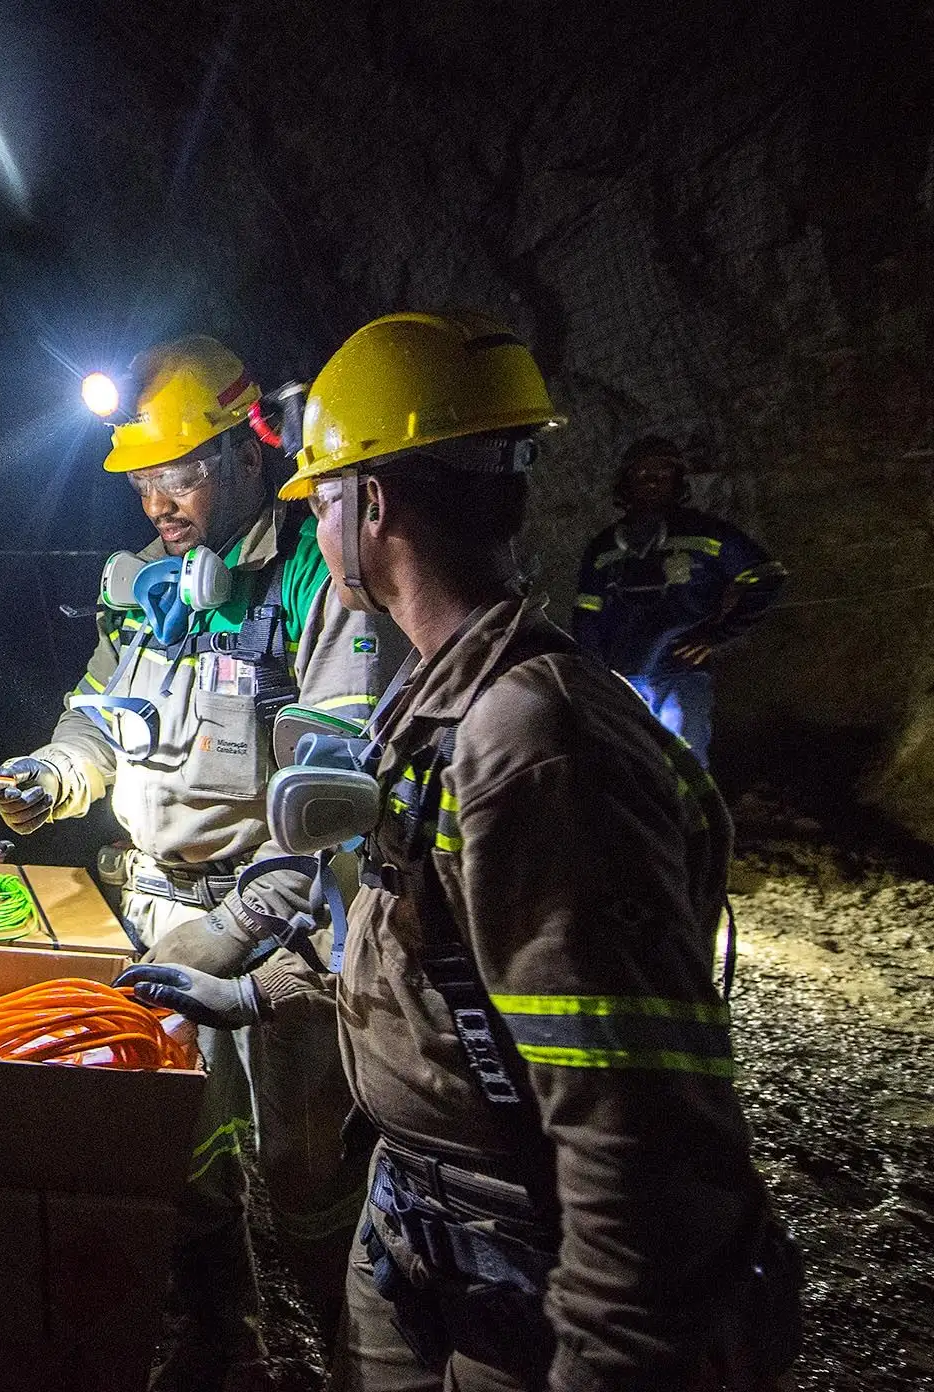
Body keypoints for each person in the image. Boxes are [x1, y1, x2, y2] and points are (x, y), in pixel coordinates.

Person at [255, 310, 797, 1390]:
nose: (316, 530)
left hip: (527, 1271)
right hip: (426, 1225)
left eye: (320, 498)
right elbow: (433, 940)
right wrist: (264, 988)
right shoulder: (439, 698)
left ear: (372, 504)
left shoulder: (533, 741)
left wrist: (607, 1362)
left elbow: (630, 1130)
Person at [0, 336, 403, 1391]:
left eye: (179, 474)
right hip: (157, 911)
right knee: (185, 1151)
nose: (156, 504)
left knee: (307, 1169)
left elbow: (335, 795)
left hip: (284, 930)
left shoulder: (321, 581)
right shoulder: (141, 585)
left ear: (247, 453)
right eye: (142, 481)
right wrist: (50, 774)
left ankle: (359, 1353)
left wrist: (239, 933)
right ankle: (229, 1338)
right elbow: (97, 717)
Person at [571, 437, 786, 764]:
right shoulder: (603, 548)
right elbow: (586, 615)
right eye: (643, 473)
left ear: (678, 481)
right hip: (621, 680)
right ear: (626, 482)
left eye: (664, 473)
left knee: (685, 768)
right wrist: (595, 675)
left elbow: (767, 576)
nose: (654, 480)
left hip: (681, 675)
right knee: (629, 768)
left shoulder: (709, 535)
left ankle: (691, 817)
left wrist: (718, 634)